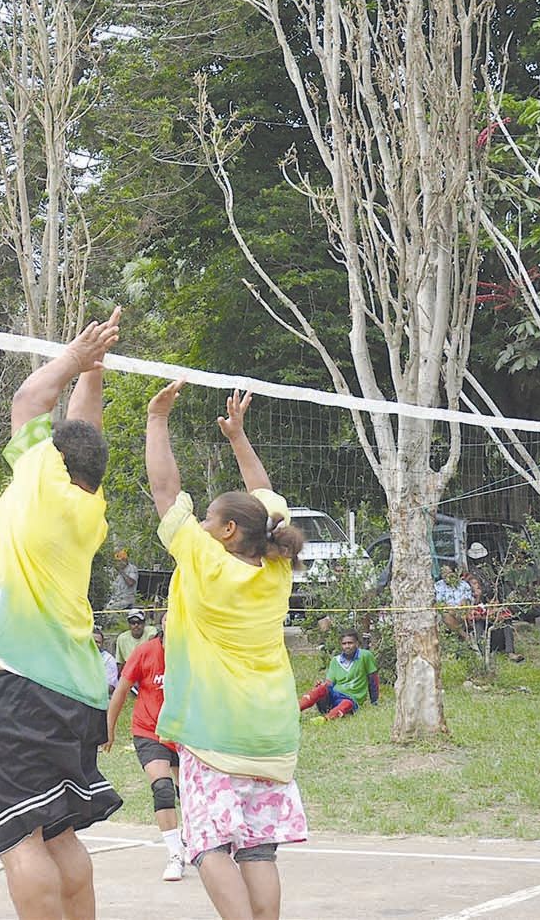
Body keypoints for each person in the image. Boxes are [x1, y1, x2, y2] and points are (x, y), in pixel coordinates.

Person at [0, 309, 125, 920]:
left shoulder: (39, 479)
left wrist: (76, 357)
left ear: (52, 457)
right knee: (61, 835)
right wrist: (94, 373)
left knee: (22, 839)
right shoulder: (89, 504)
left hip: (25, 690)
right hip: (77, 691)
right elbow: (85, 430)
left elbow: (29, 398)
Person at [146, 381, 309, 920]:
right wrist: (238, 437)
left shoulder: (203, 559)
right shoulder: (277, 565)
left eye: (209, 518)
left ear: (226, 530)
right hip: (272, 730)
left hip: (216, 732)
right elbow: (269, 504)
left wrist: (157, 419)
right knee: (259, 849)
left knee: (209, 846)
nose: (201, 524)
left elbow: (166, 493)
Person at [103, 614, 185, 882]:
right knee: (162, 787)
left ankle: (194, 839)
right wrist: (109, 730)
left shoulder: (194, 653)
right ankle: (175, 854)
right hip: (149, 731)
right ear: (163, 627)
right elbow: (120, 691)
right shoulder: (145, 652)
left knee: (190, 791)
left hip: (185, 732)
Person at [298, 630, 379, 721]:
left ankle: (324, 719)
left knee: (347, 704)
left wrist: (374, 701)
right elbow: (329, 683)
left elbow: (373, 680)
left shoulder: (365, 656)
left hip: (351, 699)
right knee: (321, 688)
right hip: (333, 697)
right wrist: (321, 687)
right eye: (344, 644)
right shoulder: (335, 660)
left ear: (357, 643)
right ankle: (294, 711)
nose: (347, 646)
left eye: (350, 643)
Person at [434, 566, 474, 639]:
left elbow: (468, 599)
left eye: (449, 573)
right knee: (445, 615)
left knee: (464, 610)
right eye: (443, 573)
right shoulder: (438, 586)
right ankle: (463, 635)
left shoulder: (464, 584)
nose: (447, 575)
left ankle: (465, 632)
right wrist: (448, 608)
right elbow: (439, 602)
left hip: (461, 609)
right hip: (448, 610)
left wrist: (463, 604)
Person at [92, 628, 119, 696]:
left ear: (102, 644)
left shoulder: (108, 660)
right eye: (92, 641)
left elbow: (110, 688)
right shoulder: (80, 656)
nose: (94, 644)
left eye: (97, 642)